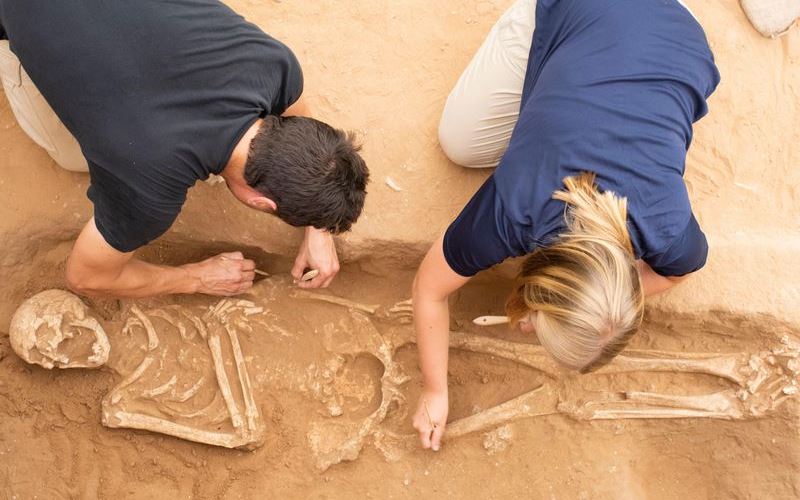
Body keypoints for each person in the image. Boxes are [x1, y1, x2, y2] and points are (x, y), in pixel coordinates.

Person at [411, 0, 720, 451]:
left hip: (676, 30)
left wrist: (559, 307)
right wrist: (434, 390)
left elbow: (679, 271)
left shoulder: (667, 224)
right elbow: (429, 289)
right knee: (461, 144)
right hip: (589, 11)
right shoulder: (517, 206)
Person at [0, 0, 369, 298]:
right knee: (72, 158)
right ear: (261, 202)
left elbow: (299, 116)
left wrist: (318, 226)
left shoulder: (273, 65)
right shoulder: (148, 191)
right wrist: (196, 278)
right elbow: (85, 276)